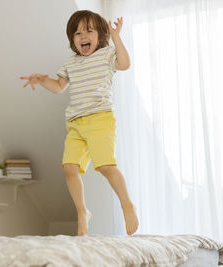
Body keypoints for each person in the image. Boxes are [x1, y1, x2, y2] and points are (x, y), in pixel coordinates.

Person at [20, 10, 139, 236]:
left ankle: (127, 204)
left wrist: (116, 37)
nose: (82, 36)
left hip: (100, 118)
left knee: (105, 166)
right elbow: (58, 87)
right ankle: (82, 211)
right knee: (69, 168)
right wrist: (42, 79)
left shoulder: (106, 55)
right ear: (72, 39)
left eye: (89, 31)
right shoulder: (70, 63)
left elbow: (124, 64)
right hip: (75, 124)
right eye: (77, 33)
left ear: (100, 36)